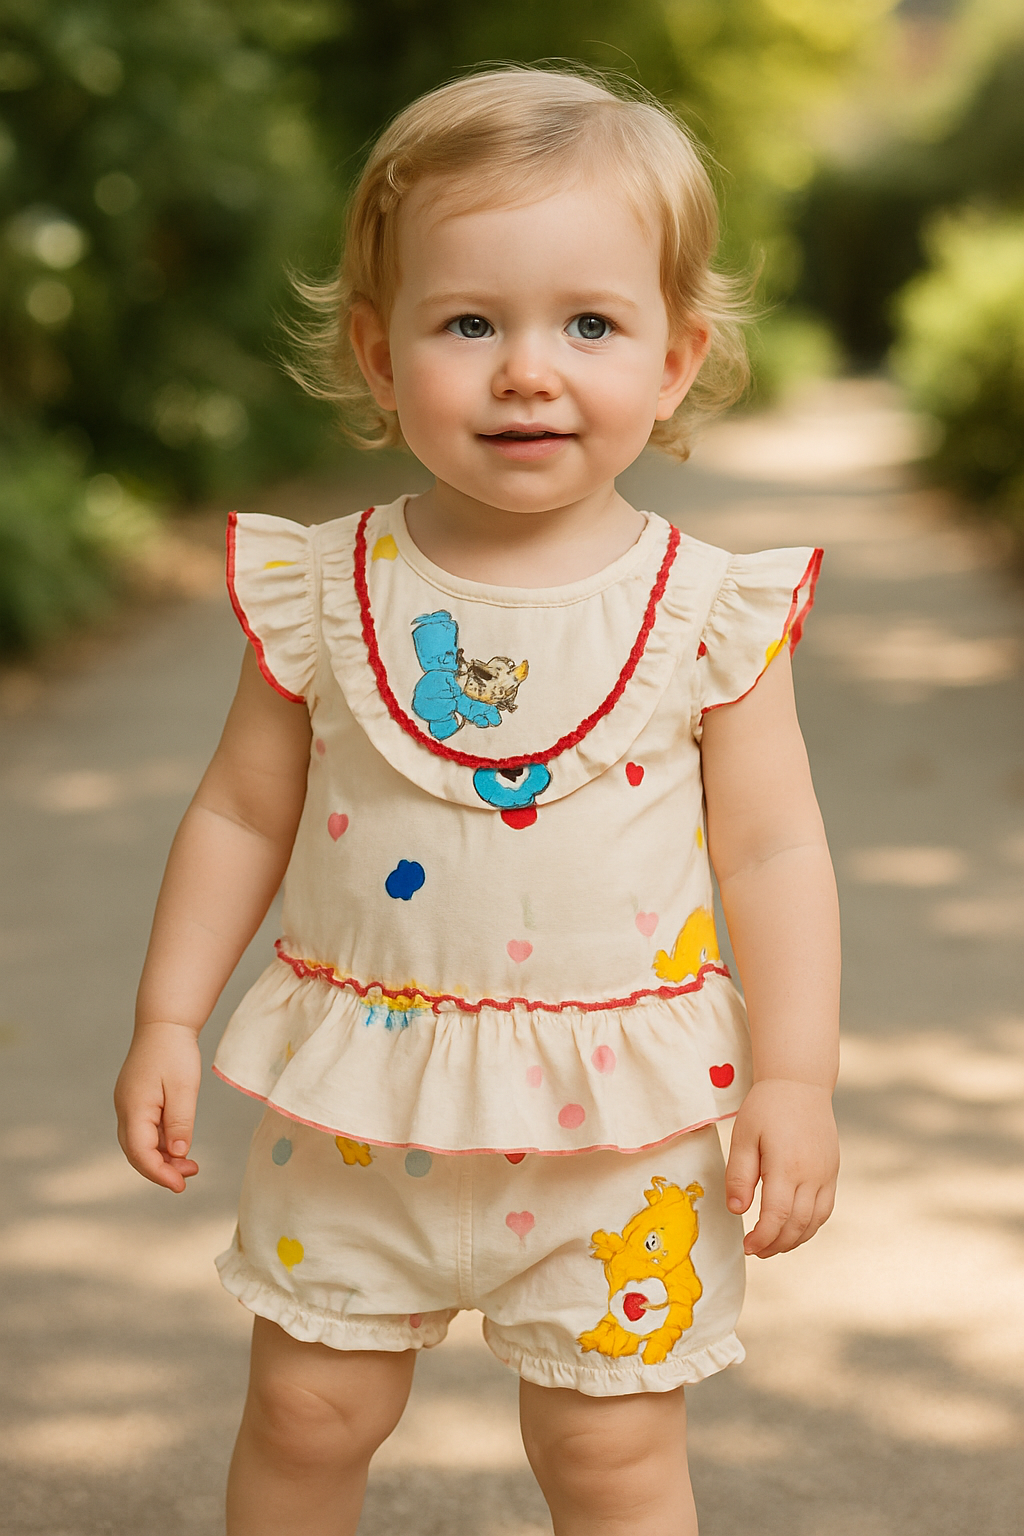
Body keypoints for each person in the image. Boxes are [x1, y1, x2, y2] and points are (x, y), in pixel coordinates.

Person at [114, 65, 840, 1536]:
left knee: (609, 1454)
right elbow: (242, 813)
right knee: (306, 1415)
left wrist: (797, 1076)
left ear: (677, 358)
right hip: (358, 1106)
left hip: (618, 1130)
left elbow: (772, 851)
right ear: (378, 355)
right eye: (468, 324)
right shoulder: (325, 590)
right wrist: (169, 1017)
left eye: (590, 325)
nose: (527, 370)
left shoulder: (705, 612)